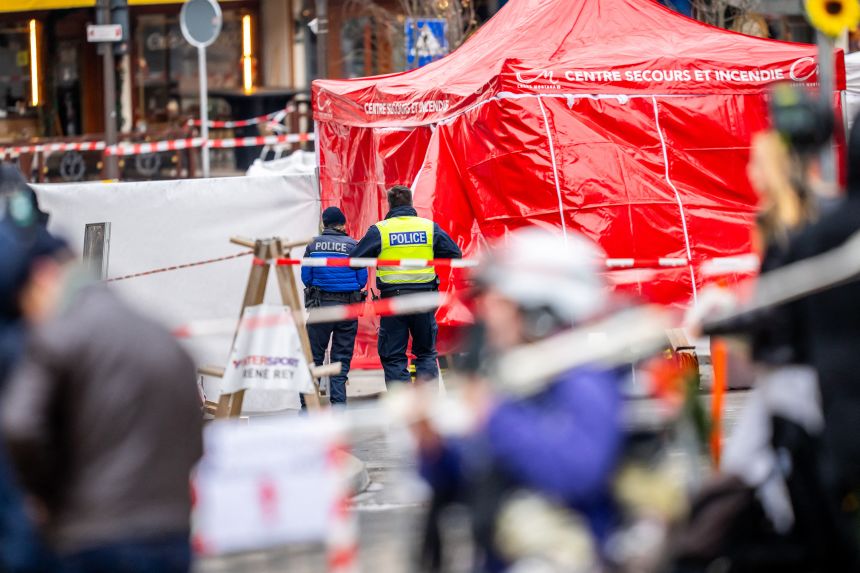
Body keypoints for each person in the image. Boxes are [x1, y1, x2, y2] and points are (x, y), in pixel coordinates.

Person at [414, 228, 624, 572]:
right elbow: (471, 472)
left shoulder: (583, 378)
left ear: (540, 309)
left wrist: (492, 415)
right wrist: (433, 448)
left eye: (501, 302)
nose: (487, 313)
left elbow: (577, 474)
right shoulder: (513, 375)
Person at [0, 226, 203, 573]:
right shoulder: (161, 338)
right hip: (170, 534)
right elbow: (195, 436)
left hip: (93, 535)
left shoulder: (58, 337)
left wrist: (46, 494)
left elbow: (20, 427)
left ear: (44, 279)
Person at [351, 185, 462, 385]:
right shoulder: (428, 227)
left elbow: (354, 259)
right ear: (411, 203)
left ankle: (401, 407)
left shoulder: (381, 230)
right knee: (426, 353)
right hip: (424, 298)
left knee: (394, 356)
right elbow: (455, 253)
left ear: (390, 204)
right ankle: (427, 406)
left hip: (393, 302)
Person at [302, 206, 368, 405]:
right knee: (341, 360)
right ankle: (339, 406)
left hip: (320, 308)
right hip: (348, 309)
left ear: (324, 223)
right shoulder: (354, 245)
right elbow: (362, 280)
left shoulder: (313, 245)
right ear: (343, 224)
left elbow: (306, 278)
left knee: (314, 357)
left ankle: (307, 407)